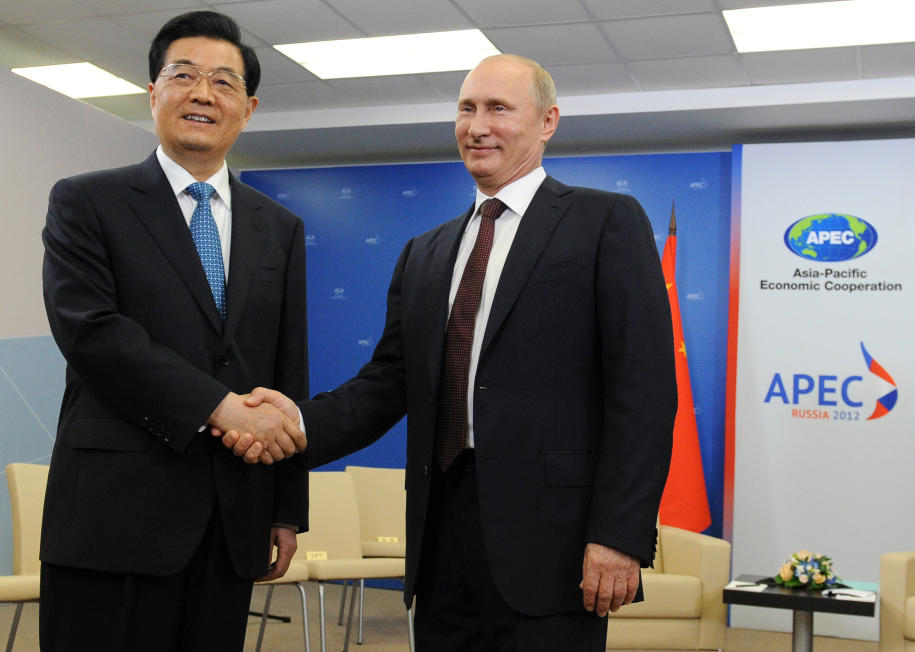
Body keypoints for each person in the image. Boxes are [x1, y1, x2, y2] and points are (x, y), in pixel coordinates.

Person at [225, 53, 677, 651]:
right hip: (441, 545)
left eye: (498, 108)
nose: (477, 125)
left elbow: (643, 393)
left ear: (547, 123)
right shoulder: (425, 253)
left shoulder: (605, 222)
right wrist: (296, 423)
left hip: (554, 547)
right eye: (466, 108)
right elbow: (388, 382)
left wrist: (619, 534)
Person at [39, 10, 309, 651]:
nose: (202, 93)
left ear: (249, 107)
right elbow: (92, 332)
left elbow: (284, 370)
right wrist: (218, 408)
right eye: (182, 75)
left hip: (232, 517)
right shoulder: (86, 202)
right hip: (114, 515)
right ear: (152, 92)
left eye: (224, 81)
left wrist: (284, 506)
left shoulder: (280, 226)